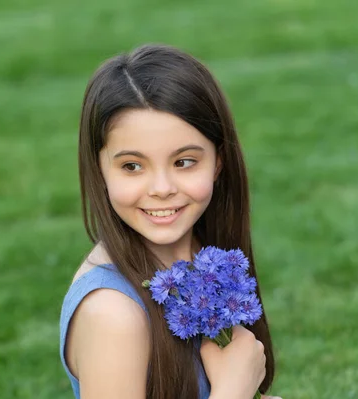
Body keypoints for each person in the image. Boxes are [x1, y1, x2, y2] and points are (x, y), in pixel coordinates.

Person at [59, 44, 279, 399]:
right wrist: (233, 391)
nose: (161, 189)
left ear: (218, 162)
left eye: (184, 162)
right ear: (99, 169)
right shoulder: (114, 315)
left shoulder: (203, 260)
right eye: (132, 166)